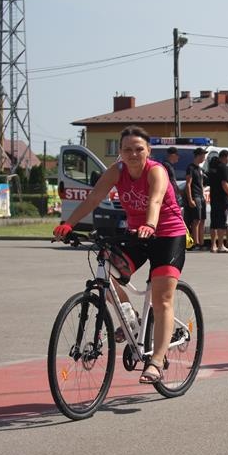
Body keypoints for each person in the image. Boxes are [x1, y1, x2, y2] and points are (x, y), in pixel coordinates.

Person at [53, 125, 187, 385]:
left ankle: (156, 361)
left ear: (148, 151)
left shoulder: (156, 171)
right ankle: (130, 318)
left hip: (168, 235)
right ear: (121, 152)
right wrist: (68, 224)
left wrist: (150, 224)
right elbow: (93, 198)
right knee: (106, 272)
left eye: (138, 149)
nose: (133, 154)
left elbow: (155, 201)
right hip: (137, 235)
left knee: (162, 298)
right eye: (127, 149)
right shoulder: (117, 171)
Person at [208, 150, 228, 253]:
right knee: (222, 222)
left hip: (213, 198)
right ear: (225, 157)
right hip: (222, 199)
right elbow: (224, 183)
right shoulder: (223, 167)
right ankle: (220, 245)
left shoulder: (212, 167)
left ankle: (213, 245)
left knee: (214, 223)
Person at [184, 147, 208, 250]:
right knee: (196, 220)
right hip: (195, 196)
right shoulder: (191, 168)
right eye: (203, 155)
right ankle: (195, 243)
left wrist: (204, 195)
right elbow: (188, 184)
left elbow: (201, 183)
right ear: (198, 156)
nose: (204, 158)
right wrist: (190, 199)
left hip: (201, 196)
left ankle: (202, 243)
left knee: (202, 219)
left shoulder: (200, 169)